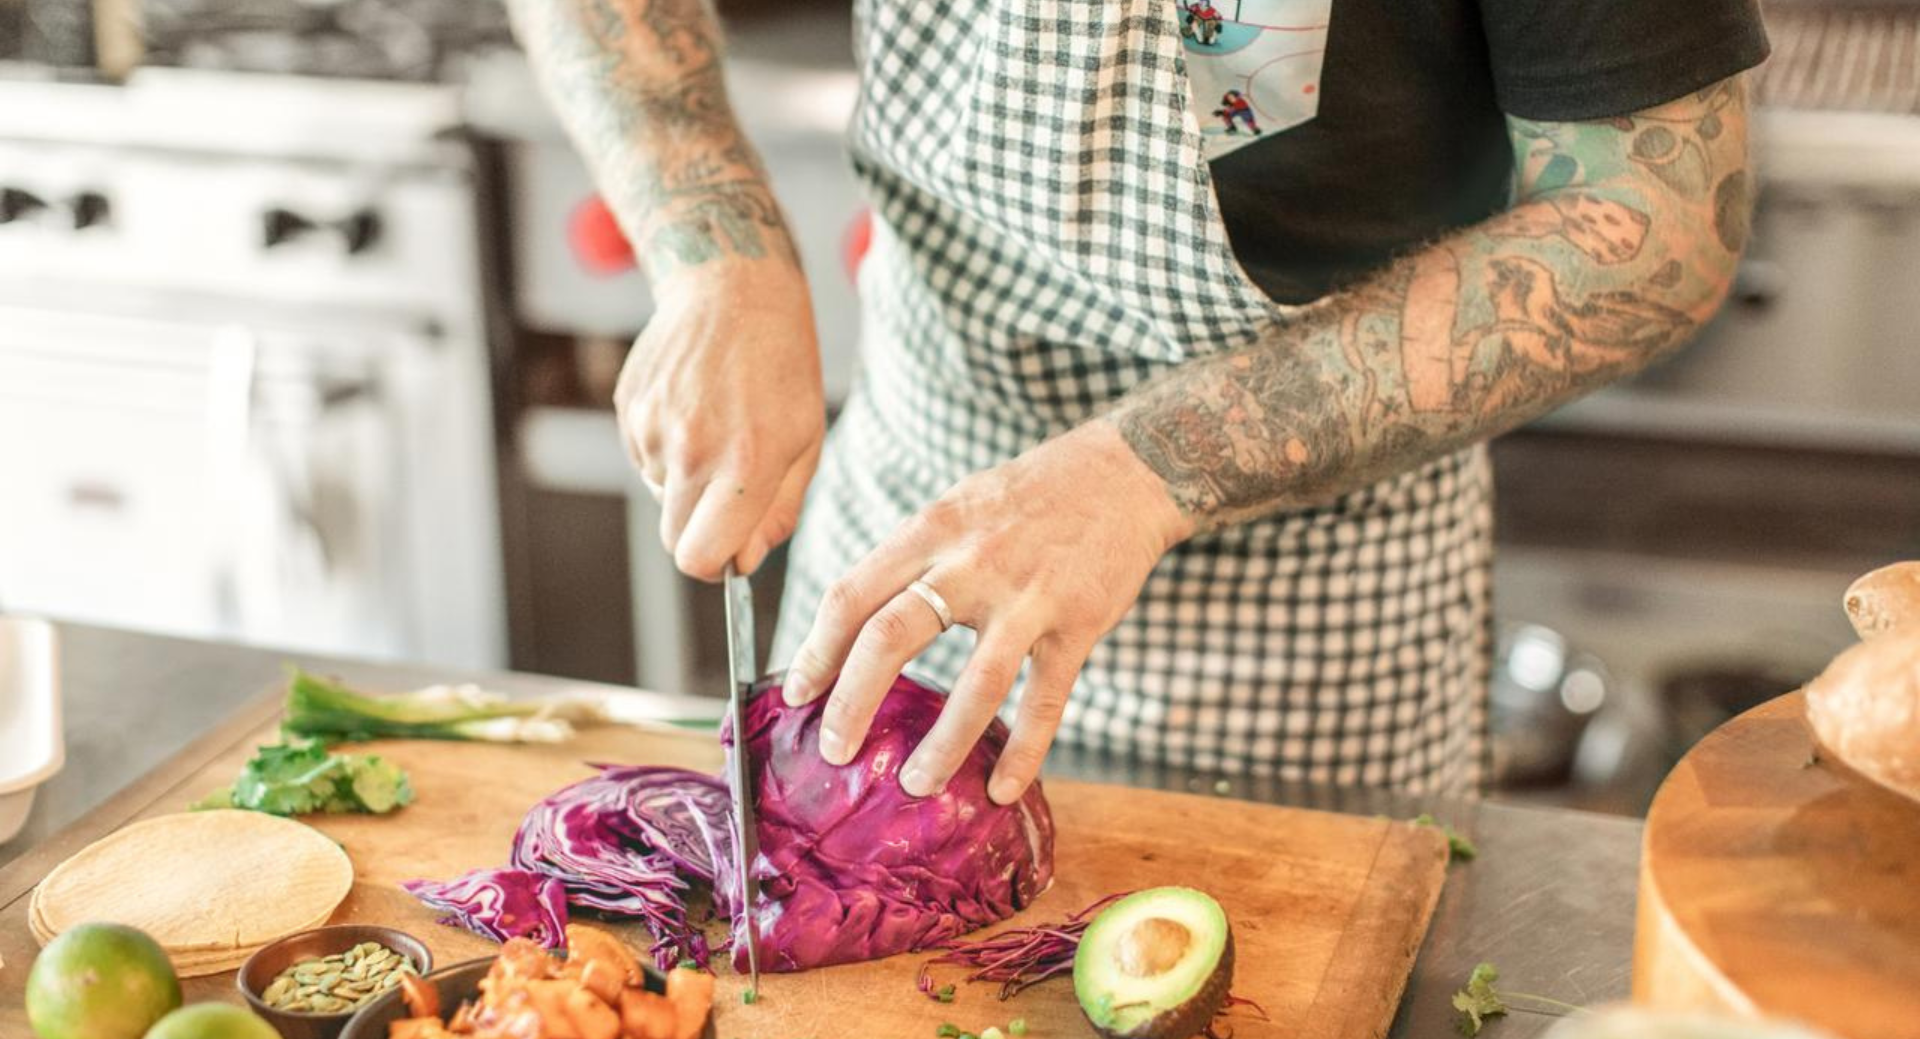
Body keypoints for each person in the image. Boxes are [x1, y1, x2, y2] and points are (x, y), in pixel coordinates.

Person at [506, 0, 1767, 803]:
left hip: (1303, 617)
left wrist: (1146, 469)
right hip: (917, 493)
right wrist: (712, 248)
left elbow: (1655, 222)